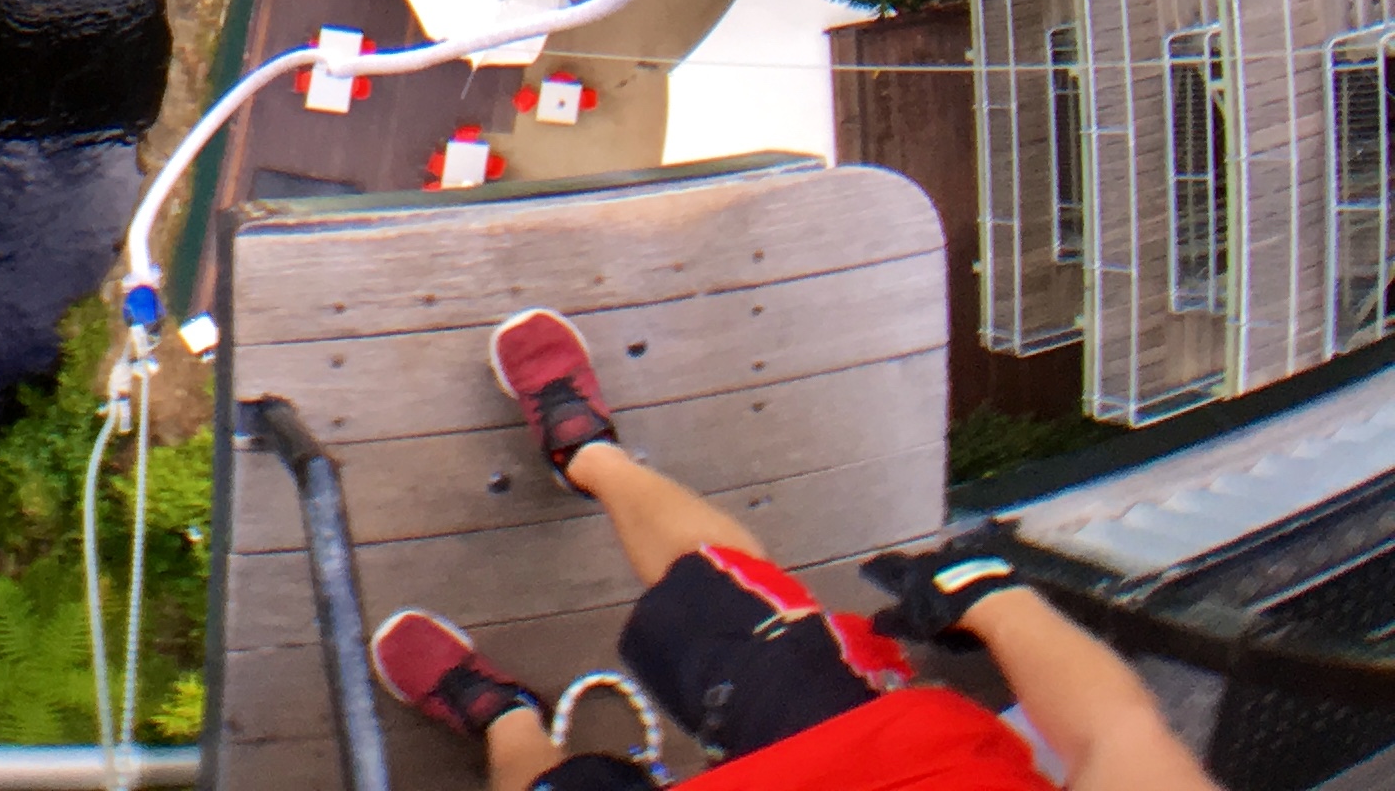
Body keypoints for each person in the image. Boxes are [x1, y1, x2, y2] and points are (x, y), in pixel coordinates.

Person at [371, 308, 1212, 791]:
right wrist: (991, 594)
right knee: (720, 593)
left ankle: (506, 717)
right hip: (879, 757)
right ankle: (587, 455)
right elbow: (1117, 739)